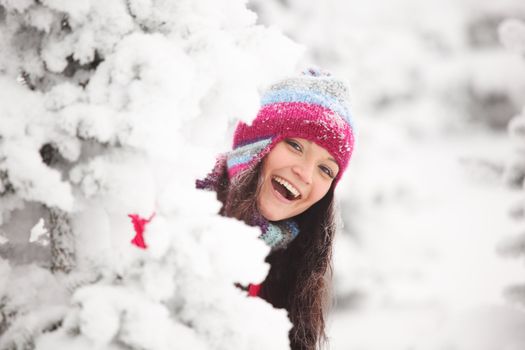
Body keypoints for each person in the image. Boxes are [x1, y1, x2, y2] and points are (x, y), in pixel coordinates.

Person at [196, 68, 355, 350]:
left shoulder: (294, 271)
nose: (305, 174)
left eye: (325, 169)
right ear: (254, 143)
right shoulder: (174, 216)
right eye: (294, 145)